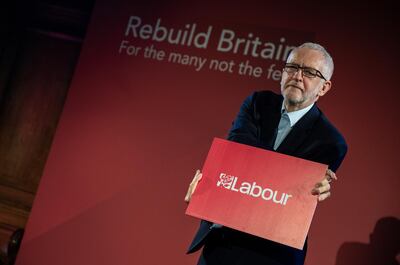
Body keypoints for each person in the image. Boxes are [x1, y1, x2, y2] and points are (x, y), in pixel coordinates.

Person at [184, 42, 348, 265]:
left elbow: (289, 195)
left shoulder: (330, 142)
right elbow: (238, 151)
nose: (298, 76)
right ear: (282, 74)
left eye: (310, 72)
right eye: (292, 68)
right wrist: (210, 189)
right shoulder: (257, 103)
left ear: (324, 87)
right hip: (222, 242)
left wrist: (311, 185)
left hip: (270, 254)